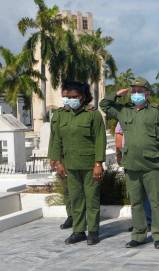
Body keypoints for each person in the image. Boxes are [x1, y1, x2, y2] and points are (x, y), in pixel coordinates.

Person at [100, 77, 159, 249]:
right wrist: (117, 94)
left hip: (153, 165)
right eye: (133, 91)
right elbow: (104, 105)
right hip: (132, 164)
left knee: (156, 201)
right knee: (136, 201)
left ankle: (158, 235)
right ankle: (139, 235)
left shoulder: (157, 112)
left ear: (147, 94)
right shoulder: (124, 111)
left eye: (140, 91)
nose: (136, 94)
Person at [50, 81, 106, 245]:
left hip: (89, 165)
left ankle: (93, 231)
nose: (69, 100)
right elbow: (56, 140)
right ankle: (78, 231)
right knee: (76, 199)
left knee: (92, 199)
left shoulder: (92, 114)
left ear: (82, 97)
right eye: (66, 97)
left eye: (74, 97)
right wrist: (57, 162)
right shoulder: (60, 114)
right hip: (70, 165)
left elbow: (100, 139)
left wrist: (98, 163)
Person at [115, 122, 152, 231]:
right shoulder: (123, 116)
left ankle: (149, 221)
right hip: (129, 159)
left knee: (148, 191)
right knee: (135, 193)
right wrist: (118, 154)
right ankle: (138, 223)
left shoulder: (149, 114)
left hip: (147, 159)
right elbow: (119, 135)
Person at [48, 88, 72, 230]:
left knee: (79, 190)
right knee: (67, 190)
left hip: (77, 157)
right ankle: (71, 216)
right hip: (62, 158)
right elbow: (53, 137)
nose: (66, 99)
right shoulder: (57, 114)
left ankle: (83, 216)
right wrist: (53, 157)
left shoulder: (86, 113)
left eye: (69, 96)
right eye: (64, 96)